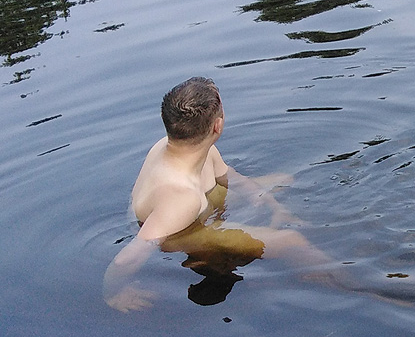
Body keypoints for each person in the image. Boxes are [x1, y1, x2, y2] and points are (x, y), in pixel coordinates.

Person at [104, 76, 323, 311]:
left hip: (193, 205)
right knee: (292, 241)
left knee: (283, 181)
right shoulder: (181, 198)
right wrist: (113, 294)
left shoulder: (185, 146)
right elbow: (126, 258)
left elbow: (230, 177)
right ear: (217, 126)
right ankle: (354, 285)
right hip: (181, 231)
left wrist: (272, 205)